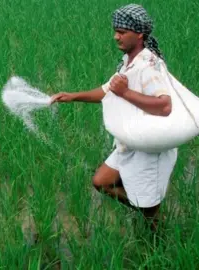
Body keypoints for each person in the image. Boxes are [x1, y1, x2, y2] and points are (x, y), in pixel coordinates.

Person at [50, 4, 177, 232]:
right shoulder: (130, 61)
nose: (115, 36)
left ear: (139, 34)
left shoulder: (149, 65)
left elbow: (165, 105)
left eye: (122, 32)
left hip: (148, 145)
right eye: (115, 30)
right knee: (101, 182)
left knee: (148, 207)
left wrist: (126, 93)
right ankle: (151, 215)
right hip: (131, 139)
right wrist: (72, 96)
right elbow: (107, 90)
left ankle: (159, 236)